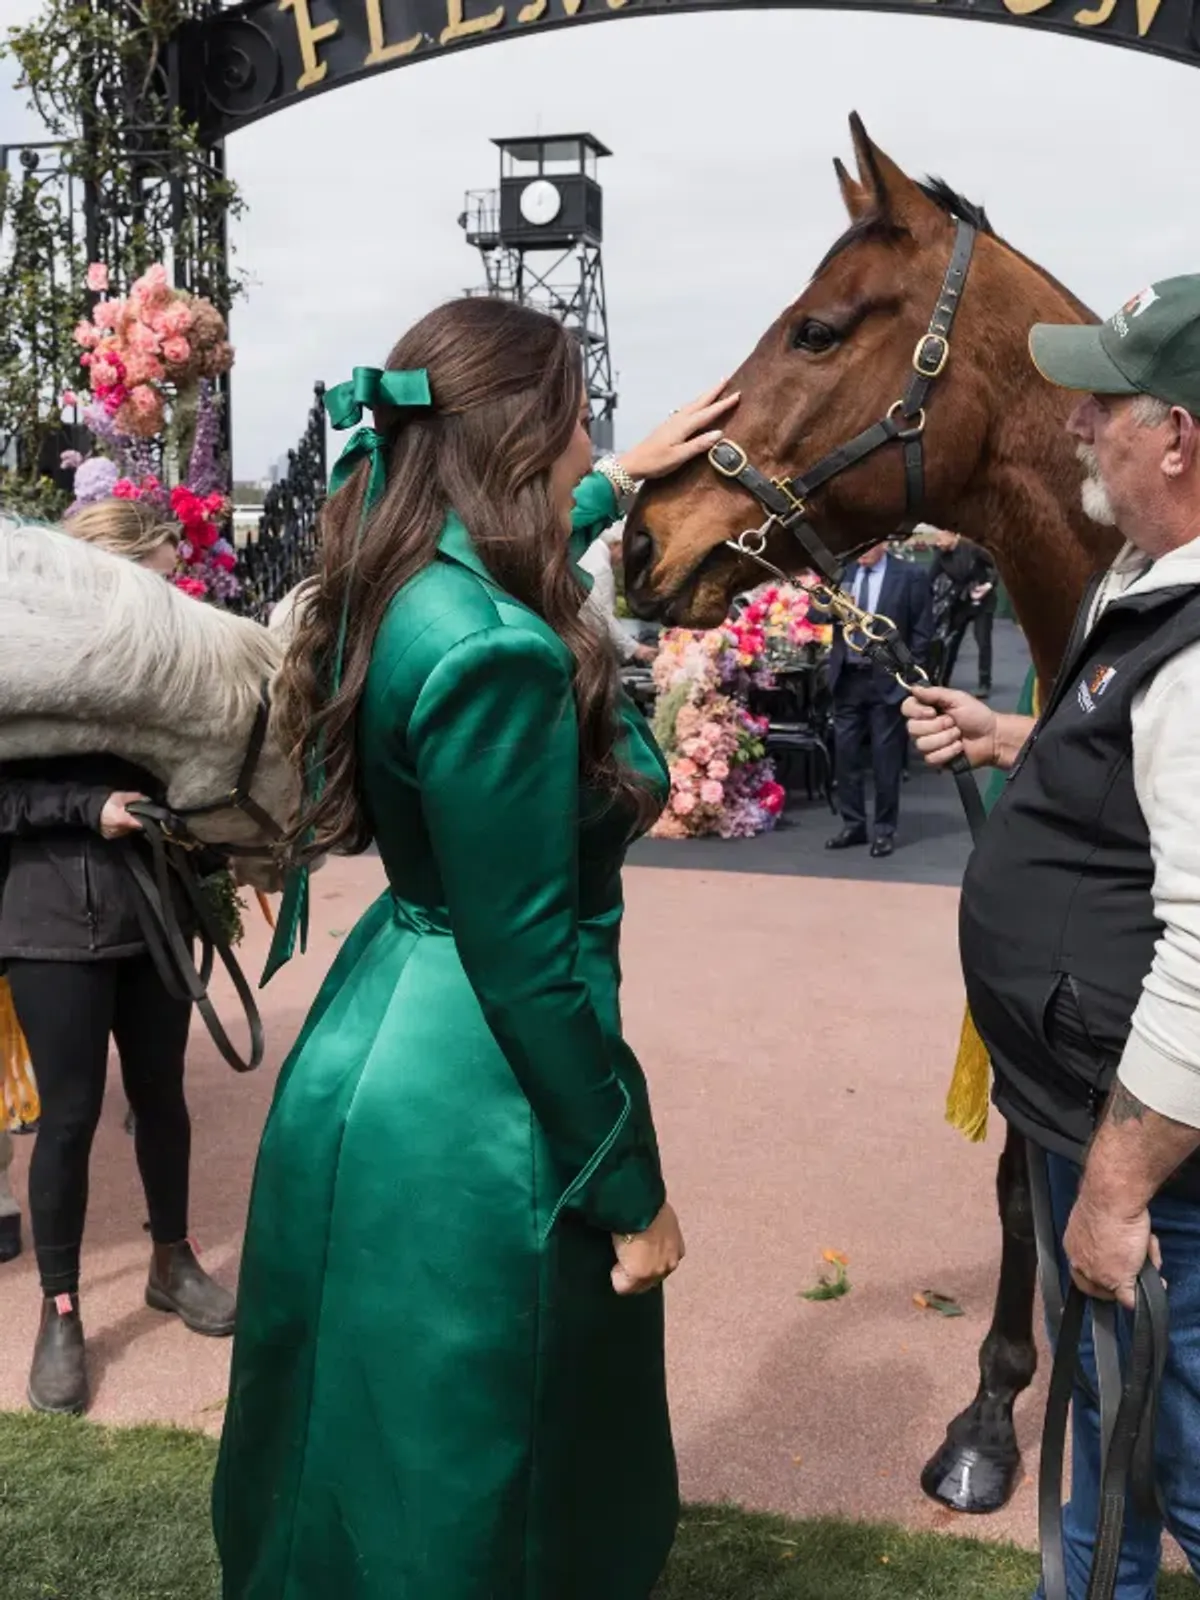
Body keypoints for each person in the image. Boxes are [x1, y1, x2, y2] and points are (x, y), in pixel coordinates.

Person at [212, 300, 736, 1600]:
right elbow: (530, 965)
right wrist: (633, 1191)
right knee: (491, 1443)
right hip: (478, 1090)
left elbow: (513, 542)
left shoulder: (399, 583)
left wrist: (620, 482)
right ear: (521, 432)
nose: (592, 438)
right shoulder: (498, 653)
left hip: (372, 1032)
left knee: (356, 1421)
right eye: (578, 419)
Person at [904, 275, 1200, 1598]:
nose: (1075, 424)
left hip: (1146, 1147)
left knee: (1173, 1448)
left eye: (1104, 402)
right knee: (1111, 1434)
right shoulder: (1147, 589)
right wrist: (1021, 736)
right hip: (1085, 1096)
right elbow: (1147, 776)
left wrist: (1120, 1187)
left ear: (1179, 437)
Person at [0, 496, 236, 1417]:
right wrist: (80, 808)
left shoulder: (164, 675)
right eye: (159, 574)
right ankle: (61, 1312)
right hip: (48, 918)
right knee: (66, 1119)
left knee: (161, 1097)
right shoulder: (28, 668)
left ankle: (172, 1263)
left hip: (155, 915)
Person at [825, 541, 932, 858]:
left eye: (870, 545)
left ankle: (885, 829)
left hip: (887, 681)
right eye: (858, 547)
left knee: (886, 760)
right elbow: (817, 618)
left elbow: (923, 632)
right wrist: (829, 604)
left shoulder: (910, 575)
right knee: (845, 756)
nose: (863, 552)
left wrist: (909, 677)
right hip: (847, 678)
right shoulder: (843, 574)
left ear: (884, 542)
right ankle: (853, 824)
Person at [926, 527, 998, 697]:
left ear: (952, 535)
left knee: (983, 642)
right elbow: (929, 579)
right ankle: (943, 680)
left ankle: (984, 683)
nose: (937, 543)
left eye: (940, 539)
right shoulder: (940, 555)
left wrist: (988, 585)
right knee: (951, 642)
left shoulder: (972, 547)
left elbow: (995, 565)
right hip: (960, 602)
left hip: (983, 601)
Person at [577, 525, 657, 665]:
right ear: (616, 544)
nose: (625, 561)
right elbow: (603, 617)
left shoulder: (591, 551)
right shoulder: (601, 566)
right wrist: (635, 649)